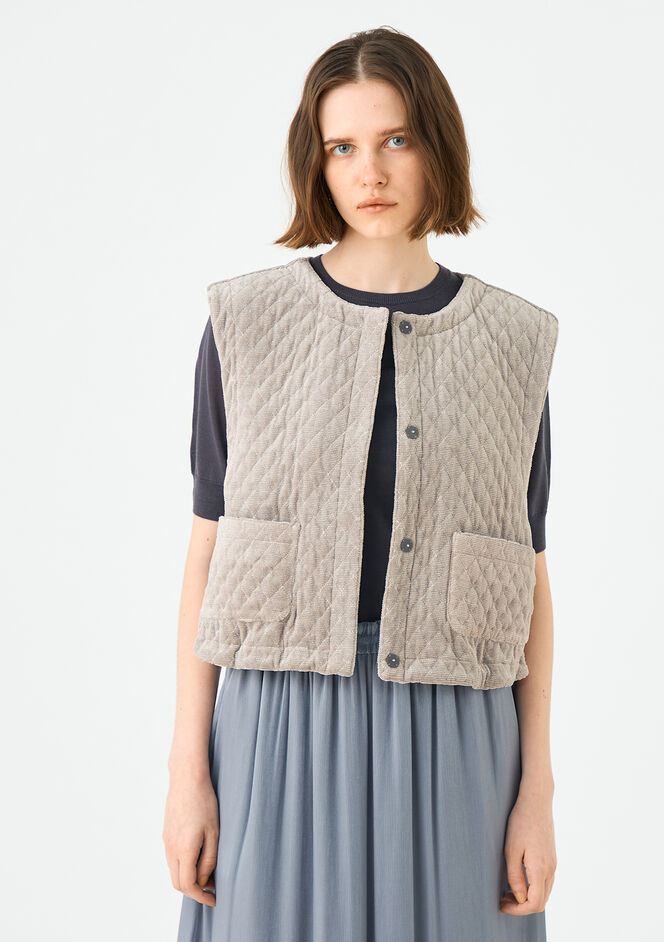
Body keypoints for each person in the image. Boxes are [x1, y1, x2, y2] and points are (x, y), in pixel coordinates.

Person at [164, 25, 558, 942]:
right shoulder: (246, 324)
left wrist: (535, 789)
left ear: (436, 146)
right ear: (316, 162)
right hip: (276, 723)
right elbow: (207, 550)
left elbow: (529, 572)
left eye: (395, 140)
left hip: (460, 732)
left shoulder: (513, 343)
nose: (369, 172)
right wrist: (188, 773)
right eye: (341, 147)